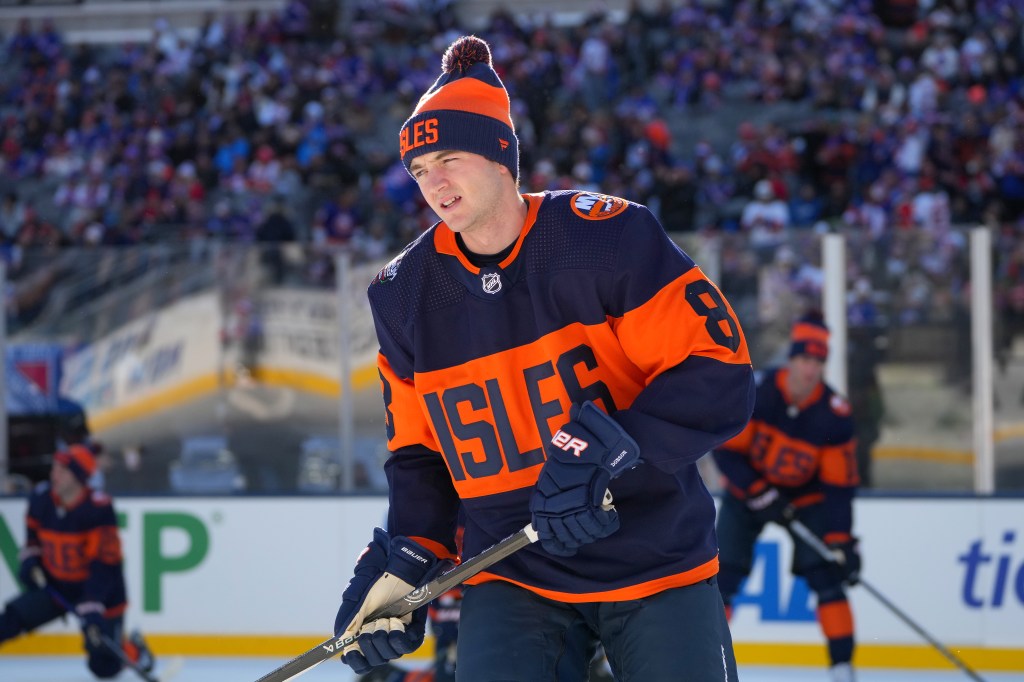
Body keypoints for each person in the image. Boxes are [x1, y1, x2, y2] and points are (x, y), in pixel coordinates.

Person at [333, 35, 755, 682]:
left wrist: (608, 448)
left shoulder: (606, 238)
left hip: (652, 555)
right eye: (420, 171)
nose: (434, 183)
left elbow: (717, 369)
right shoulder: (404, 296)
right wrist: (408, 558)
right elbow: (420, 453)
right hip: (513, 571)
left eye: (449, 159)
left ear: (502, 158)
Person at [712, 312, 861, 682]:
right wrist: (758, 491)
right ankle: (704, 661)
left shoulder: (835, 416)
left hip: (805, 501)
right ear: (791, 359)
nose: (810, 370)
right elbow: (726, 449)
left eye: (818, 362)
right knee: (721, 577)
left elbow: (839, 487)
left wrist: (842, 540)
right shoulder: (760, 393)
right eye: (804, 359)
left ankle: (842, 668)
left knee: (828, 577)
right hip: (749, 493)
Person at [0, 444, 154, 678]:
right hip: (56, 587)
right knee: (9, 621)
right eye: (54, 468)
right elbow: (32, 539)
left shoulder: (98, 509)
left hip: (101, 592)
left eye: (63, 471)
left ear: (79, 478)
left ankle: (133, 650)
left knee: (103, 667)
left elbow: (104, 565)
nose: (54, 475)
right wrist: (31, 562)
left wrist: (92, 604)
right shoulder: (42, 499)